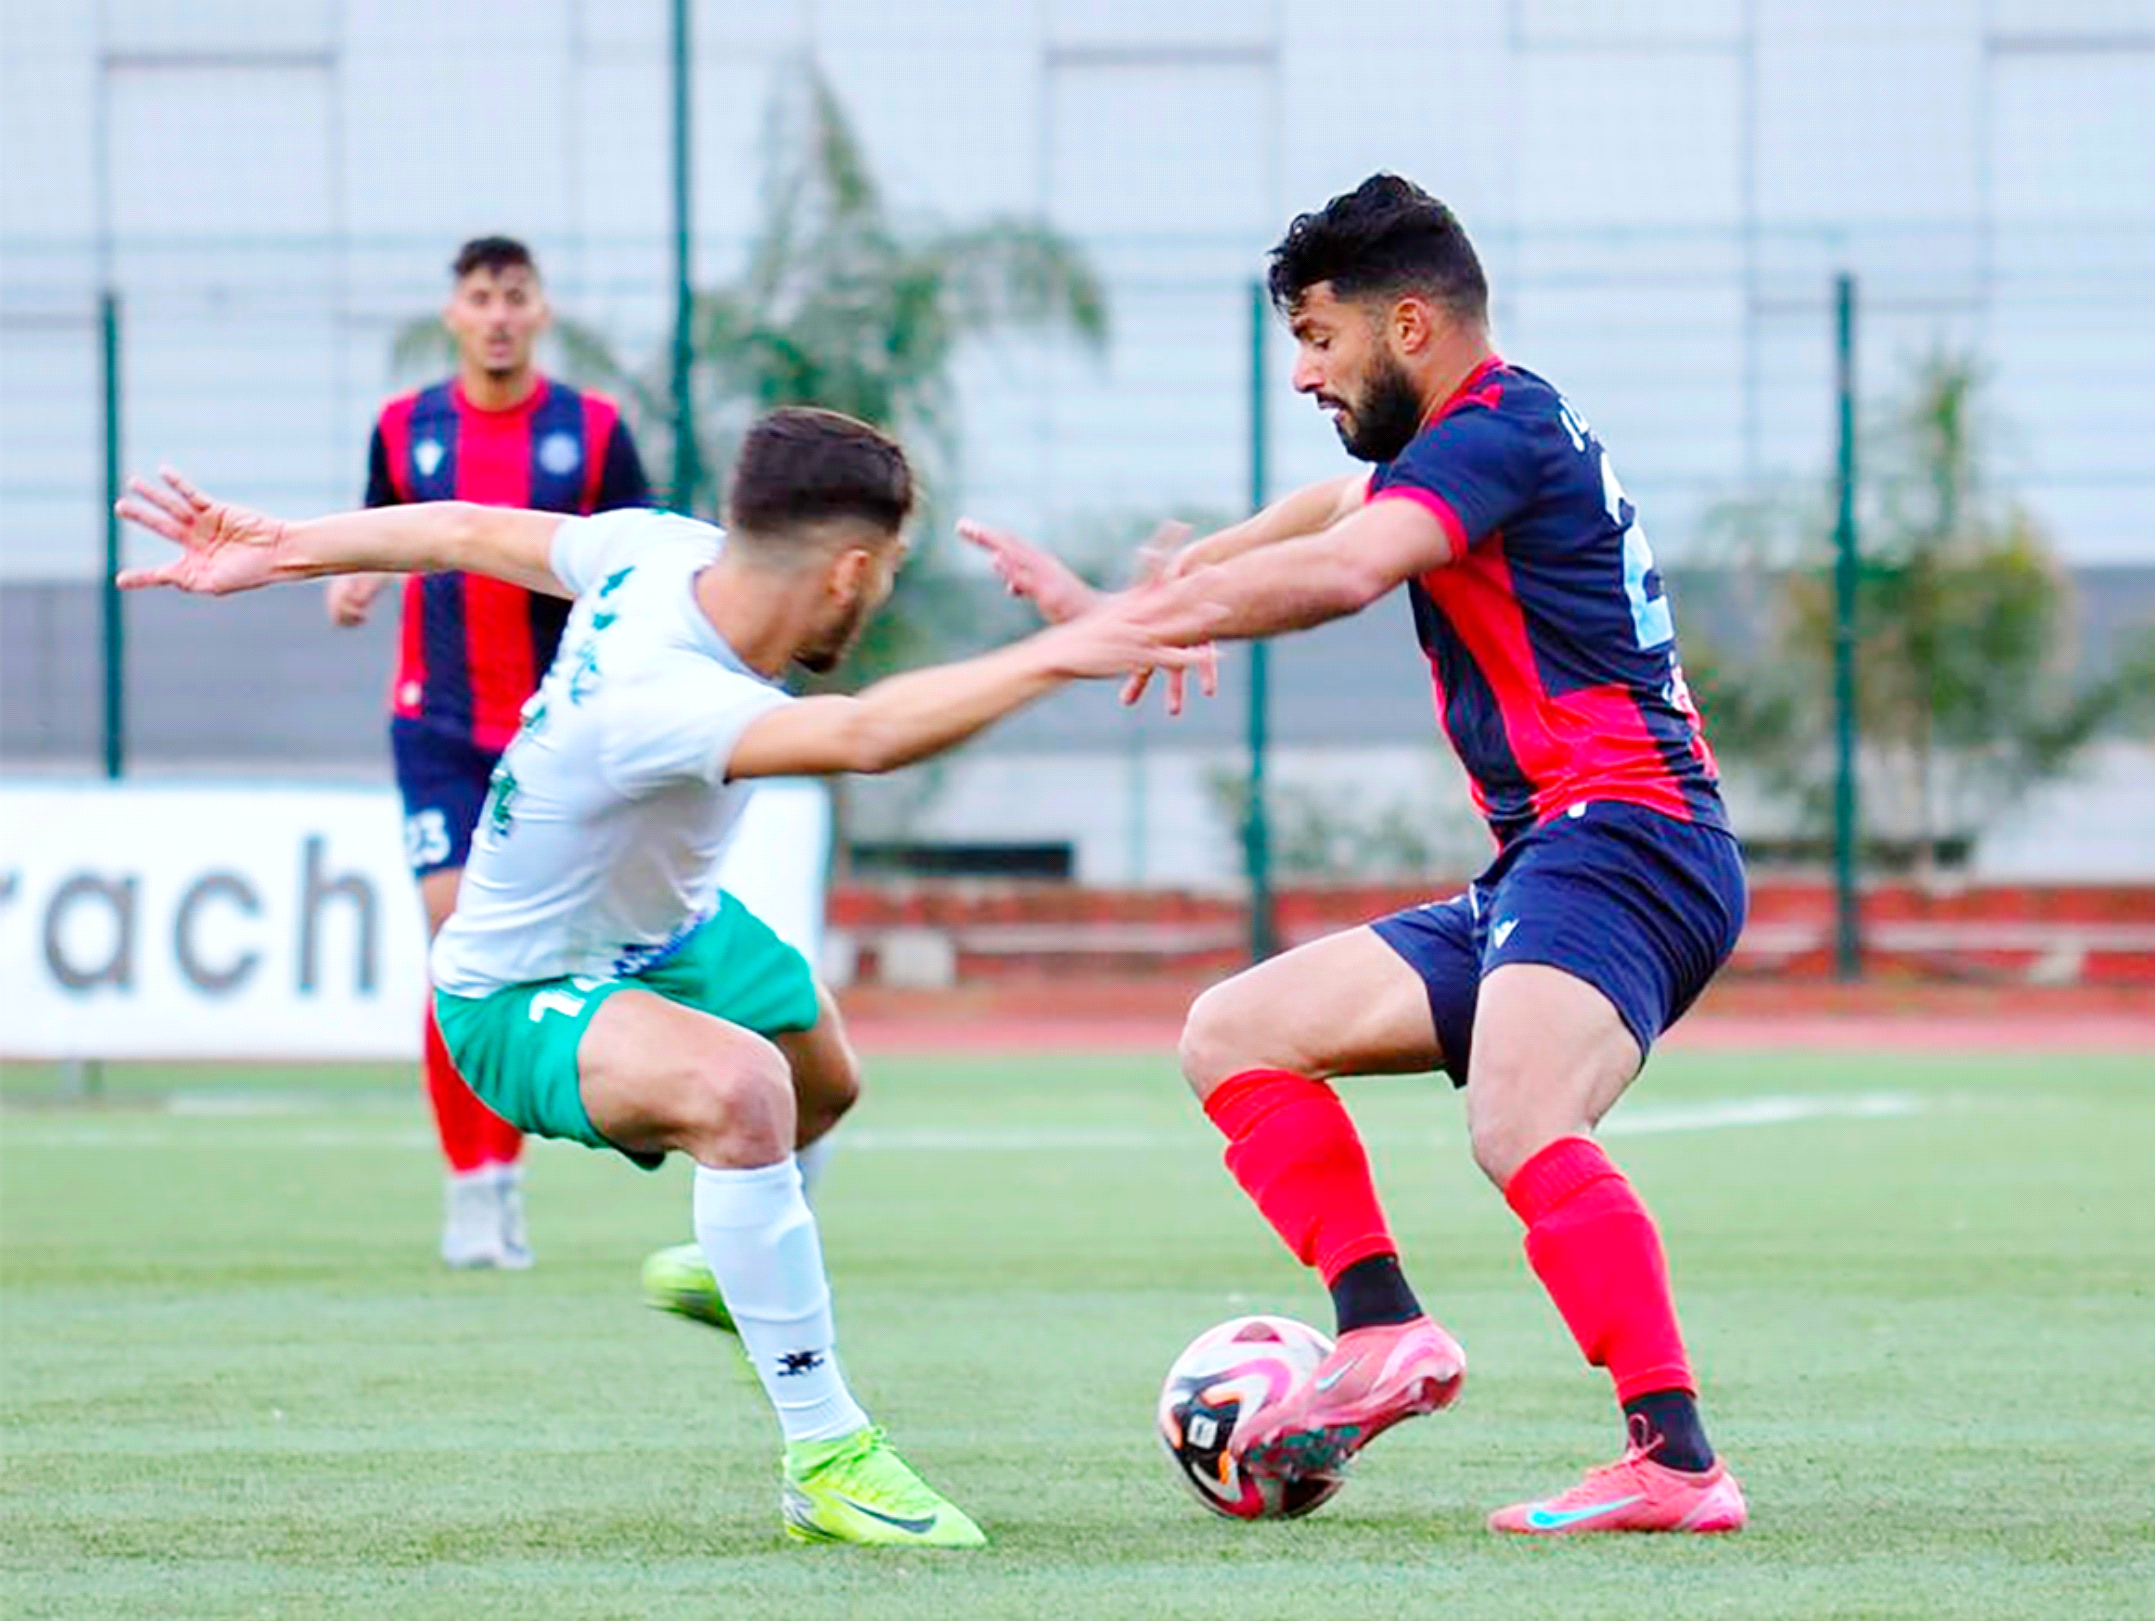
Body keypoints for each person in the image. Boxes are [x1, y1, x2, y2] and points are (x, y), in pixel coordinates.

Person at [116, 407, 1216, 1549]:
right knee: (744, 1093)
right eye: (885, 573)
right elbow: (864, 736)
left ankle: (731, 1264)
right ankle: (827, 1457)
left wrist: (284, 543)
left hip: (670, 931)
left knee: (822, 1079)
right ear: (847, 570)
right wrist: (1060, 653)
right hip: (514, 994)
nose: (881, 594)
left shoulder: (655, 547)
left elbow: (458, 528)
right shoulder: (659, 695)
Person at [962, 173, 1750, 1536]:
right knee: (1234, 1032)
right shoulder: (1473, 430)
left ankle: (1676, 1463)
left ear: (1408, 325)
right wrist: (1162, 589)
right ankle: (1382, 1328)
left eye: (1319, 339)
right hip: (1553, 855)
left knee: (1516, 1120)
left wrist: (1128, 629)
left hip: (1631, 833)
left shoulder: (1498, 427)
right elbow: (1320, 517)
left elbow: (1345, 569)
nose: (1302, 372)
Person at [328, 235, 654, 1270]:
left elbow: (634, 555)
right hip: (435, 721)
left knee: (533, 948)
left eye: (517, 295)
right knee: (457, 932)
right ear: (454, 314)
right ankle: (477, 1187)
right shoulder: (404, 425)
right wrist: (359, 577)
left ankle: (527, 1150)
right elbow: (385, 518)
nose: (500, 314)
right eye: (480, 296)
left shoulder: (592, 431)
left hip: (560, 727)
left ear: (543, 311)